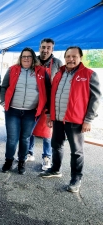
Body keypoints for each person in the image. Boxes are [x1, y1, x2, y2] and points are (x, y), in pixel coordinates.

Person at [40, 46, 101, 193]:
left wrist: (88, 119)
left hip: (76, 120)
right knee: (56, 145)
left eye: (74, 56)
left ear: (80, 58)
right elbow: (52, 95)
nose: (70, 59)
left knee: (76, 151)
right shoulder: (59, 73)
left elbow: (96, 98)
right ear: (65, 57)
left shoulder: (89, 74)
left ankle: (76, 179)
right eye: (68, 56)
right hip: (58, 118)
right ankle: (55, 169)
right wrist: (49, 114)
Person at [0, 47, 50, 175]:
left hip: (31, 112)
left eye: (29, 56)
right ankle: (8, 161)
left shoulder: (42, 71)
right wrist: (3, 101)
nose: (26, 58)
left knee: (25, 138)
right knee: (12, 139)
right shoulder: (12, 69)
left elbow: (48, 90)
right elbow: (4, 86)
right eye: (24, 56)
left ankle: (22, 161)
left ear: (33, 58)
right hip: (12, 111)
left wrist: (47, 109)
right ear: (20, 58)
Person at [26, 38, 63, 170]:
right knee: (29, 129)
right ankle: (29, 153)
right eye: (43, 47)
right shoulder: (32, 61)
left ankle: (46, 157)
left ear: (52, 49)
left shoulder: (57, 63)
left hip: (49, 102)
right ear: (39, 47)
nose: (45, 50)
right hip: (33, 100)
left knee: (47, 131)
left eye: (48, 47)